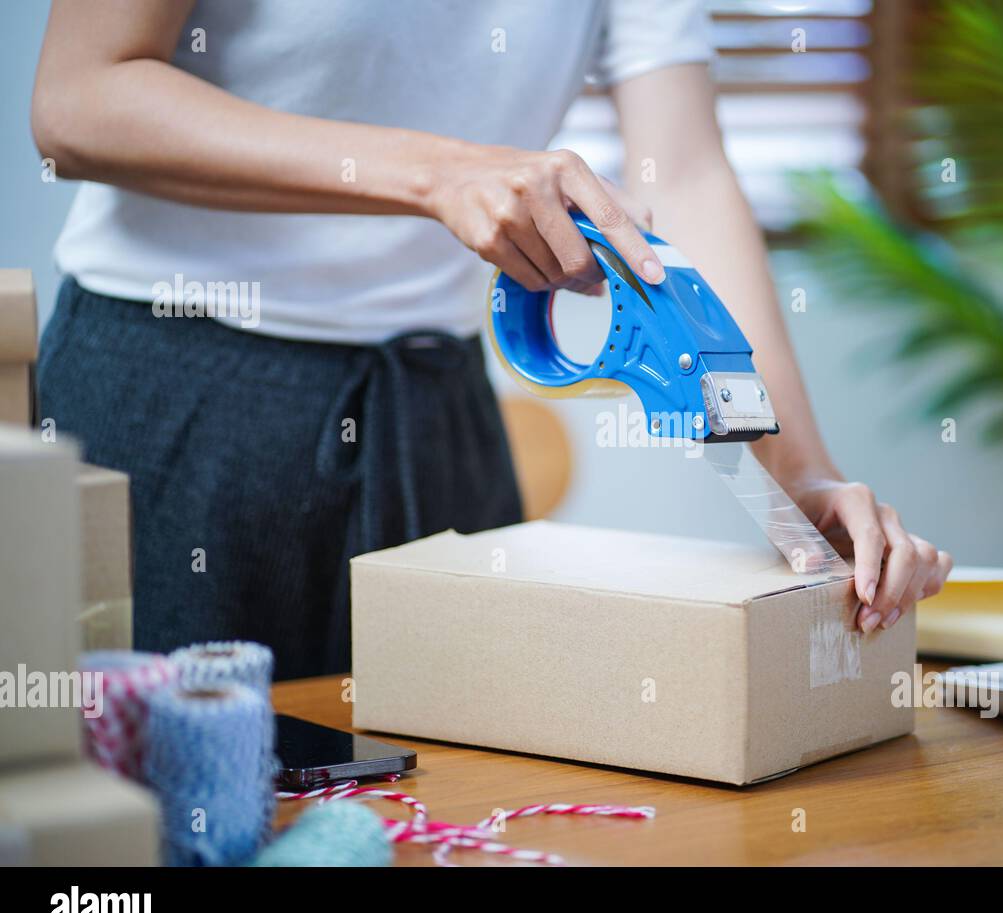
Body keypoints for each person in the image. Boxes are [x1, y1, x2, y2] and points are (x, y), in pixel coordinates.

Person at [32, 0, 951, 680]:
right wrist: (441, 172)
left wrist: (803, 478)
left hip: (435, 410)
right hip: (172, 400)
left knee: (464, 808)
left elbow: (687, 175)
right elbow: (78, 100)